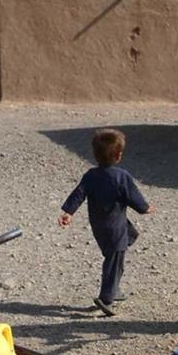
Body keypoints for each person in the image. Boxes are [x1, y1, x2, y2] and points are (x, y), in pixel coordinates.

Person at [59, 128, 153, 317]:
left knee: (129, 237)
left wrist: (68, 211)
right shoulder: (121, 176)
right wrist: (145, 208)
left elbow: (79, 193)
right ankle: (107, 298)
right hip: (115, 227)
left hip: (100, 225)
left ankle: (114, 289)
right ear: (118, 155)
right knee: (114, 260)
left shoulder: (91, 175)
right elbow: (132, 196)